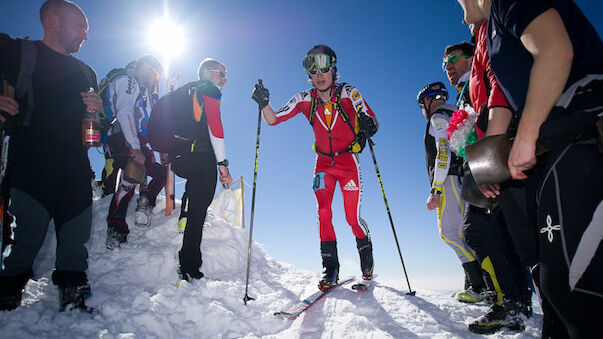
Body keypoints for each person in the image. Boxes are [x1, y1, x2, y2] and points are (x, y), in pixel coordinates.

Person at [458, 0, 603, 337]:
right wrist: (487, 167)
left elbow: (555, 52)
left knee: (574, 287)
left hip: (579, 135)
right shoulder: (494, 29)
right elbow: (503, 98)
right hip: (554, 144)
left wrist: (526, 135)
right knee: (552, 284)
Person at [0, 0, 100, 312]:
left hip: (75, 163)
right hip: (31, 157)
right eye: (79, 26)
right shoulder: (16, 52)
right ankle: (9, 285)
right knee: (29, 230)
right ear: (53, 20)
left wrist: (95, 112)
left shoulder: (87, 72)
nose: (85, 35)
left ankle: (72, 287)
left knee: (76, 231)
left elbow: (93, 133)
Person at [251, 45, 377, 290]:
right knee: (323, 213)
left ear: (333, 70)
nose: (319, 75)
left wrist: (368, 126)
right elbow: (273, 119)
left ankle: (366, 259)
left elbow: (372, 121)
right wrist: (263, 102)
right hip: (323, 164)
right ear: (309, 75)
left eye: (324, 69)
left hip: (347, 163)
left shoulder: (349, 93)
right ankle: (330, 270)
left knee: (352, 218)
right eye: (313, 70)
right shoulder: (304, 99)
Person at [153, 58, 232, 281]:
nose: (224, 81)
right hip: (201, 156)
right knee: (199, 210)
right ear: (206, 72)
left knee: (195, 196)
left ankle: (186, 212)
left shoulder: (186, 91)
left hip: (180, 157)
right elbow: (215, 127)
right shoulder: (209, 89)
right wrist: (222, 163)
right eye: (221, 74)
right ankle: (189, 265)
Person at [417, 82, 487, 303]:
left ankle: (479, 285)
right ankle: (477, 282)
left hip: (449, 179)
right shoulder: (455, 111)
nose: (422, 111)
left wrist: (436, 189)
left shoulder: (437, 117)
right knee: (465, 230)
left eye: (421, 105)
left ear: (428, 101)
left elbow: (443, 152)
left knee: (449, 232)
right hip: (467, 177)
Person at [104, 55, 167, 250]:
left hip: (133, 139)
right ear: (146, 68)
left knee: (158, 172)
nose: (154, 81)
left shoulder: (139, 87)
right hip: (123, 137)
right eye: (155, 75)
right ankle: (116, 228)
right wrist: (135, 147)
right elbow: (124, 112)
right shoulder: (128, 80)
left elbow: (141, 120)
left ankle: (145, 202)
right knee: (132, 175)